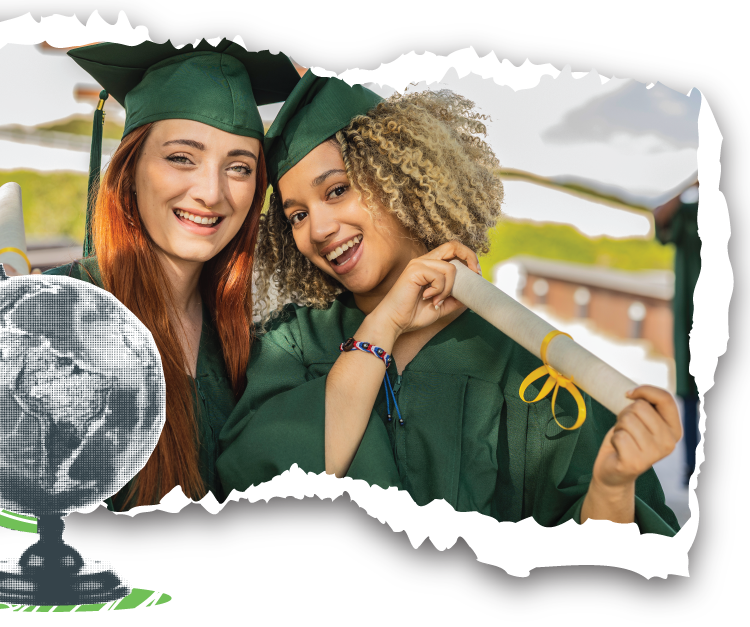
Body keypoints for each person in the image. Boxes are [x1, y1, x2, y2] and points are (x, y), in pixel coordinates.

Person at [217, 72, 682, 535]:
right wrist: (386, 323)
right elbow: (255, 493)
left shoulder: (522, 358)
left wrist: (613, 485)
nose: (318, 229)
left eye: (337, 190)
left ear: (395, 173)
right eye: (296, 215)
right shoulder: (292, 345)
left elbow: (594, 557)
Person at [39, 40, 300, 510]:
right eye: (182, 157)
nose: (211, 192)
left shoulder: (251, 336)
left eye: (239, 167)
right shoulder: (54, 315)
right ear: (130, 169)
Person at [653, 180, 701, 484]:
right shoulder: (689, 212)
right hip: (692, 316)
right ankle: (691, 467)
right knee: (691, 393)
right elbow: (659, 215)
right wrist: (693, 183)